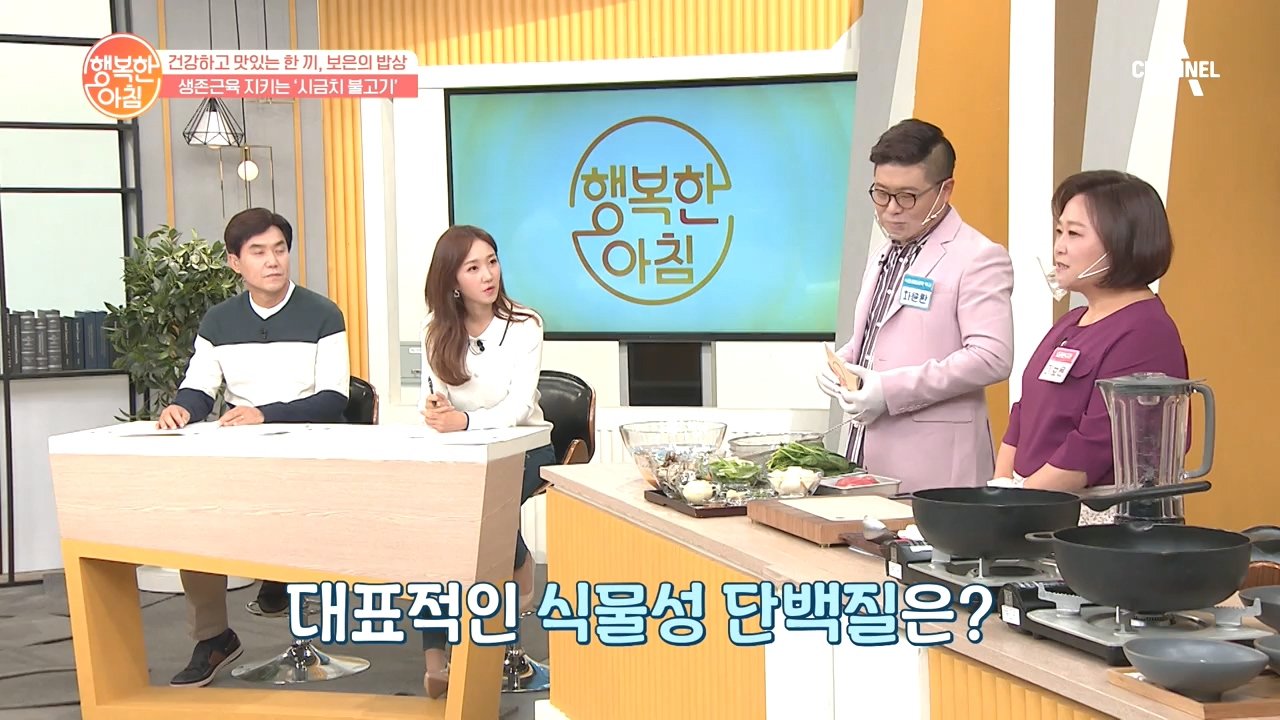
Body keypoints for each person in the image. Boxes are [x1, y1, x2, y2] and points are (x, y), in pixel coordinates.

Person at [156, 207, 350, 687]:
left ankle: (283, 582)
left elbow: (334, 399)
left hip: (309, 451)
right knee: (195, 520)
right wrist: (180, 407)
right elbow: (199, 388)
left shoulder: (323, 314)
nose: (272, 261)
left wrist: (266, 413)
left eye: (280, 250)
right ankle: (213, 637)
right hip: (242, 454)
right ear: (234, 262)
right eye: (258, 252)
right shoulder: (219, 321)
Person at [817, 119, 1014, 493]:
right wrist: (844, 362)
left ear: (945, 190)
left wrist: (889, 390)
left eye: (907, 196)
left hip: (937, 469)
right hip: (867, 452)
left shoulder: (978, 257)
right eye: (881, 194)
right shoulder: (885, 252)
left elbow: (992, 357)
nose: (891, 209)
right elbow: (879, 335)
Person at [416, 224, 555, 698]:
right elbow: (431, 399)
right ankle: (435, 660)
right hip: (464, 454)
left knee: (484, 517)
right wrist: (436, 411)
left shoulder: (525, 324)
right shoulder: (436, 330)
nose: (488, 275)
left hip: (525, 446)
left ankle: (501, 637)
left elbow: (518, 407)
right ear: (452, 280)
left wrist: (465, 423)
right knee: (437, 533)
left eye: (492, 262)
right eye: (473, 267)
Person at [994, 170, 1186, 498]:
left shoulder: (1146, 332)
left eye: (1074, 234)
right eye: (1059, 231)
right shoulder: (1072, 321)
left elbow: (1098, 444)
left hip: (1088, 515)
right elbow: (1024, 413)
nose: (1059, 247)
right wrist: (1001, 487)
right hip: (1031, 503)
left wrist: (1018, 502)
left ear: (1121, 243)